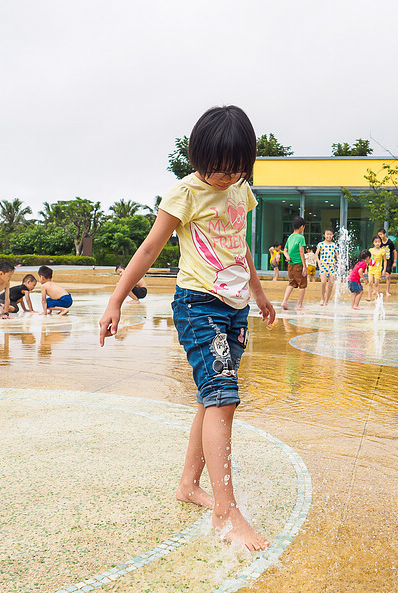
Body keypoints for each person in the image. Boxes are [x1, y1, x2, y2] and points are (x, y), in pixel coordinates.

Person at [98, 105, 275, 551]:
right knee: (223, 399)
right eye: (214, 169)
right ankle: (225, 510)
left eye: (233, 169)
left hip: (235, 308)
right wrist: (116, 300)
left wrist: (258, 292)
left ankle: (188, 485)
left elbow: (240, 247)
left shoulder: (241, 192)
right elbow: (148, 249)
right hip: (199, 305)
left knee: (211, 396)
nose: (222, 177)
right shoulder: (185, 193)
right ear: (197, 158)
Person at [281, 216, 308, 311]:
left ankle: (284, 302)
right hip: (298, 264)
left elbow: (284, 250)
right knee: (302, 285)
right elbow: (301, 252)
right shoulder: (301, 238)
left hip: (290, 265)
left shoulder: (290, 237)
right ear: (302, 227)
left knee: (291, 283)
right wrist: (305, 266)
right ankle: (299, 306)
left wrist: (287, 257)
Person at [317, 228, 338, 306]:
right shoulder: (320, 244)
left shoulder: (334, 245)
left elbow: (337, 255)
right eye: (327, 234)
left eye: (330, 234)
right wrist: (318, 261)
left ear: (332, 235)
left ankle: (327, 300)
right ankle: (322, 298)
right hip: (323, 265)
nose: (329, 236)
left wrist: (340, 262)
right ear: (324, 235)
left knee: (331, 284)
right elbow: (316, 254)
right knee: (323, 282)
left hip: (332, 266)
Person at [367, 236, 387, 301]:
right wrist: (365, 268)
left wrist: (384, 270)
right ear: (373, 243)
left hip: (378, 269)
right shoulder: (370, 250)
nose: (377, 243)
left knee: (376, 283)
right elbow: (367, 260)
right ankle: (369, 297)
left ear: (381, 243)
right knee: (370, 282)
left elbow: (385, 260)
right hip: (371, 268)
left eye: (379, 242)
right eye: (376, 242)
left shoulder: (382, 251)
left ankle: (376, 298)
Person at [377, 229, 396, 296]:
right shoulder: (379, 242)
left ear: (385, 234)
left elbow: (395, 251)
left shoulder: (390, 242)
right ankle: (377, 291)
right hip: (380, 260)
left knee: (387, 275)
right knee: (378, 275)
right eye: (379, 235)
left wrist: (395, 262)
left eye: (381, 234)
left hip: (388, 260)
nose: (380, 236)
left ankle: (387, 291)